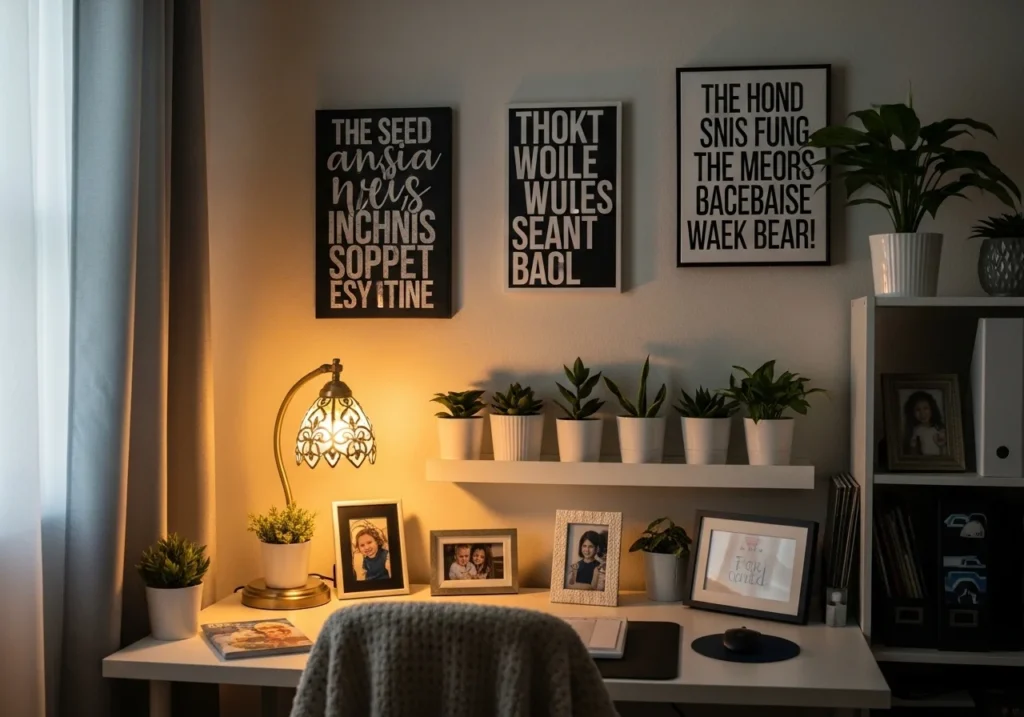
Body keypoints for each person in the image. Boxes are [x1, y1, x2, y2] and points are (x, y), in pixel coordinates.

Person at [902, 390, 947, 456]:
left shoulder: (939, 427)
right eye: (918, 410)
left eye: (926, 408)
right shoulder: (916, 430)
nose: (922, 414)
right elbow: (912, 451)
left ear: (932, 409)